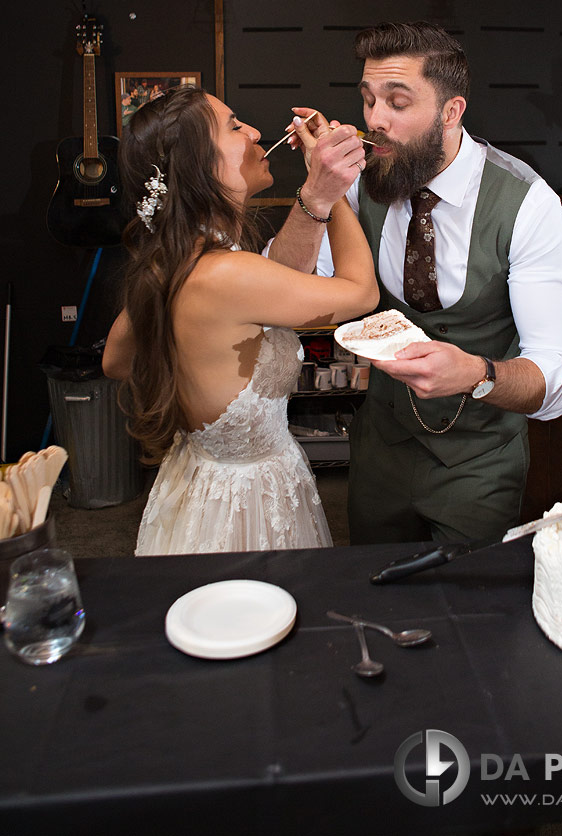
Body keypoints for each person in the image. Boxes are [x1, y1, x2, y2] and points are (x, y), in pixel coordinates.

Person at [294, 20, 562, 545]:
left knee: (472, 607)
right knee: (372, 588)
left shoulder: (528, 206)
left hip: (479, 460)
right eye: (368, 99)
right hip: (381, 448)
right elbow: (298, 290)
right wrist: (320, 193)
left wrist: (476, 372)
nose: (374, 121)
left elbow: (555, 377)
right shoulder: (361, 183)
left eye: (397, 103)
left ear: (452, 111)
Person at [102, 84, 378, 554]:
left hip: (200, 484)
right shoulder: (225, 272)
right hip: (244, 508)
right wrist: (335, 189)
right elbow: (361, 292)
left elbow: (115, 361)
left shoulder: (177, 259)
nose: (253, 131)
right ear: (199, 166)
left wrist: (315, 196)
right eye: (233, 126)